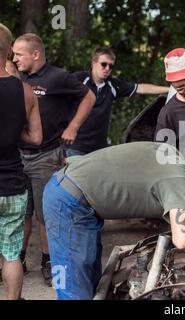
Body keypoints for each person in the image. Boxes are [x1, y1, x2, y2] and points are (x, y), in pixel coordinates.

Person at [42, 142, 185, 300]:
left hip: (78, 200)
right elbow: (184, 239)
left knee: (92, 282)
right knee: (74, 287)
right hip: (68, 202)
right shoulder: (180, 182)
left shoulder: (177, 164)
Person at [12, 33, 96, 285]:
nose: (14, 59)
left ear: (35, 54)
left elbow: (89, 96)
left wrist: (73, 127)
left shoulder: (58, 77)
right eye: (13, 54)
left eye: (19, 54)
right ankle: (19, 260)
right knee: (21, 213)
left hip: (46, 157)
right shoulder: (18, 78)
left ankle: (49, 262)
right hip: (18, 157)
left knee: (46, 214)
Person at [0, 23, 42, 299]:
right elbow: (36, 138)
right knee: (11, 253)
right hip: (13, 183)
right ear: (7, 51)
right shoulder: (25, 91)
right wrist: (12, 133)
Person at [67, 47, 169, 156]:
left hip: (99, 149)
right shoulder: (78, 79)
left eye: (111, 66)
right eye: (103, 64)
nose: (107, 68)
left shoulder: (113, 85)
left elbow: (141, 88)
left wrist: (170, 89)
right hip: (75, 146)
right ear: (94, 63)